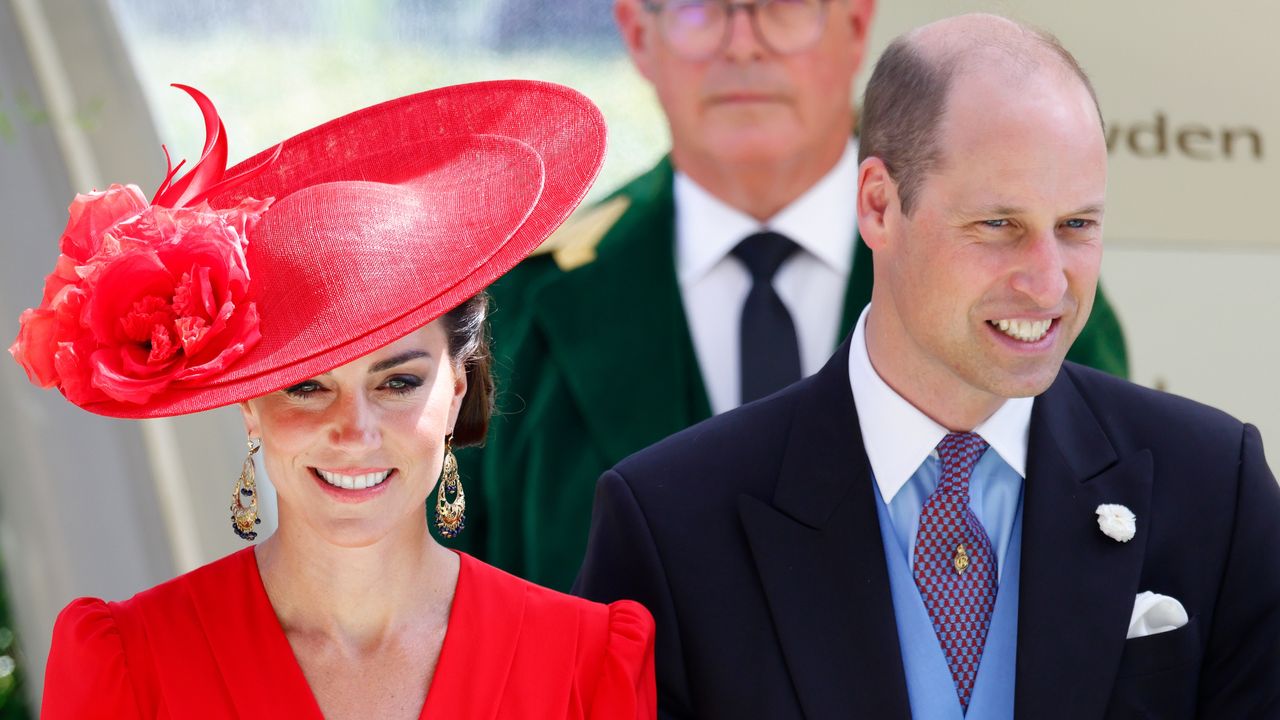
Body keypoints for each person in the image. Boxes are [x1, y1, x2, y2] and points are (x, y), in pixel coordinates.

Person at [575, 14, 1280, 720]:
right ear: (879, 205)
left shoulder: (1217, 487)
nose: (1047, 282)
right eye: (998, 225)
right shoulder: (668, 524)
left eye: (1077, 226)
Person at [13, 81, 655, 720]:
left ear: (456, 390)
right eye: (307, 387)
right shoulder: (129, 662)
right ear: (248, 404)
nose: (355, 429)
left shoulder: (584, 662)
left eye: (398, 382)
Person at [463, 0, 1130, 592]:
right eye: (702, 9)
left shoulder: (1022, 295)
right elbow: (460, 612)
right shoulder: (524, 303)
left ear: (856, 24)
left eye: (782, 6)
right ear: (639, 34)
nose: (743, 43)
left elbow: (1099, 572)